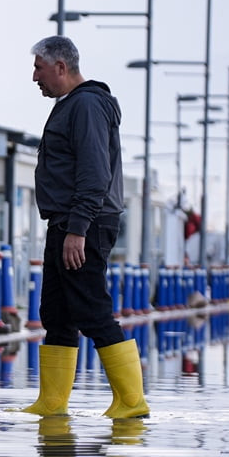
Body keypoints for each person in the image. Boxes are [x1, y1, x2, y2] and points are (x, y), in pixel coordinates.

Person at [24, 35, 149, 419]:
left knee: (92, 310)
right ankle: (53, 401)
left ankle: (131, 401)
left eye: (39, 69)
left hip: (84, 225)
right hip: (66, 223)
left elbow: (94, 173)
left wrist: (77, 229)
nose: (34, 78)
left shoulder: (88, 105)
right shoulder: (73, 105)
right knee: (57, 314)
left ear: (61, 67)